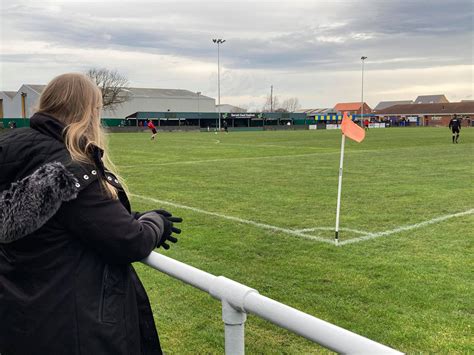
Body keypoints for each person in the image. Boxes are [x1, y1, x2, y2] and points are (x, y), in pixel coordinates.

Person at [0, 73, 182, 355]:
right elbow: (129, 240)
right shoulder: (66, 165)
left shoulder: (14, 148)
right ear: (89, 111)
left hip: (22, 315)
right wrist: (155, 222)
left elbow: (62, 221)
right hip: (69, 324)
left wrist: (129, 217)